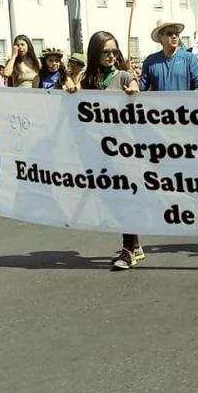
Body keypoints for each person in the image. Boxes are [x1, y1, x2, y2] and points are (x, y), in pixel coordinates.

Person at [64, 32, 140, 270]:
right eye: (106, 52)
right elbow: (75, 102)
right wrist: (70, 90)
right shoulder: (87, 80)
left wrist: (133, 89)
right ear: (95, 53)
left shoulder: (124, 76)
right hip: (95, 149)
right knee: (109, 198)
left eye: (114, 51)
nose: (111, 56)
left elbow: (136, 87)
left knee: (122, 197)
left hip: (123, 150)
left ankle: (128, 249)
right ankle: (134, 243)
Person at [140, 20, 198, 92]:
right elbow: (141, 89)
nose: (174, 36)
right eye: (169, 33)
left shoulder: (190, 59)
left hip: (183, 103)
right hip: (160, 103)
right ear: (161, 37)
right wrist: (133, 85)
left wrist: (196, 95)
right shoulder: (150, 61)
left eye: (177, 34)